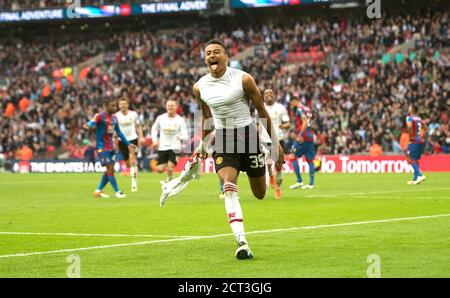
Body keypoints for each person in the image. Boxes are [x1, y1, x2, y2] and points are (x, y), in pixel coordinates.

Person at [193, 39, 284, 260]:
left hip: (248, 136)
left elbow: (262, 110)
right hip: (224, 139)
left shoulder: (244, 79)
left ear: (226, 56)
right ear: (206, 59)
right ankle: (241, 241)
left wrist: (275, 143)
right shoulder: (200, 86)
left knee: (260, 193)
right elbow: (206, 117)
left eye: (216, 52)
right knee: (229, 186)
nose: (212, 56)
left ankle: (254, 177)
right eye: (208, 53)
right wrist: (203, 144)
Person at [83, 98, 137, 199]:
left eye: (115, 106)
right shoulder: (100, 116)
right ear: (106, 106)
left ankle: (98, 190)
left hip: (111, 148)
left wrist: (128, 144)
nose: (114, 108)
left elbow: (119, 132)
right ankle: (118, 192)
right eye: (112, 106)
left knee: (109, 170)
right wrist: (88, 125)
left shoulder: (114, 118)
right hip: (101, 148)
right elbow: (93, 122)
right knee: (110, 169)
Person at [259, 88, 290, 199]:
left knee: (279, 165)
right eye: (266, 93)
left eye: (270, 93)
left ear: (274, 95)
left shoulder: (280, 108)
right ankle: (270, 176)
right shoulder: (260, 107)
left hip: (278, 140)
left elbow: (287, 123)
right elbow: (258, 124)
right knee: (267, 163)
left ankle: (277, 187)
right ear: (263, 96)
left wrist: (282, 126)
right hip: (264, 140)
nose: (268, 95)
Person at [151, 99, 189, 183]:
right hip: (163, 147)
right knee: (159, 169)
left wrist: (182, 138)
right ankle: (170, 178)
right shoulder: (160, 118)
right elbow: (154, 129)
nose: (170, 107)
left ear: (176, 107)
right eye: (168, 106)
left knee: (170, 167)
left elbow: (185, 133)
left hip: (175, 147)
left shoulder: (180, 120)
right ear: (166, 107)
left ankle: (169, 182)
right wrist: (155, 140)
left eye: (172, 106)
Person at [115, 97, 144, 192]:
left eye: (124, 104)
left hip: (132, 139)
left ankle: (134, 183)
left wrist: (141, 137)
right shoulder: (116, 116)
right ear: (119, 106)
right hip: (121, 141)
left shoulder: (133, 114)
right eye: (121, 104)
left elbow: (138, 126)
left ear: (127, 105)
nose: (123, 106)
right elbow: (114, 129)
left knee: (132, 161)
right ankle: (134, 167)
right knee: (127, 164)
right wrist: (113, 139)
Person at [289, 97, 316, 190]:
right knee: (310, 160)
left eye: (292, 103)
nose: (292, 105)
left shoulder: (300, 110)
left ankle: (299, 181)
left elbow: (304, 123)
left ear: (295, 101)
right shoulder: (307, 109)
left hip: (303, 137)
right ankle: (311, 184)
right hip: (310, 137)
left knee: (292, 156)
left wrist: (300, 135)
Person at [405, 104, 427, 185]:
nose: (408, 109)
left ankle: (420, 175)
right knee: (415, 159)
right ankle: (415, 178)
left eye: (409, 107)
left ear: (411, 110)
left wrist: (411, 137)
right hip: (420, 140)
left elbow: (410, 126)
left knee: (409, 158)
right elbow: (425, 128)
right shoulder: (419, 118)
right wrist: (421, 136)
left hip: (413, 141)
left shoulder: (409, 117)